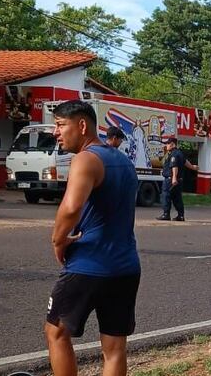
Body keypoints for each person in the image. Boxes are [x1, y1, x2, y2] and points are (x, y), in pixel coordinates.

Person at [45, 100, 141, 376]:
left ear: (82, 125)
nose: (56, 132)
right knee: (114, 348)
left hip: (88, 266)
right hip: (126, 267)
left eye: (61, 125)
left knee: (55, 332)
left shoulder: (85, 159)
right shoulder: (123, 160)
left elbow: (71, 207)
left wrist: (58, 241)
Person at [157, 137, 197, 221]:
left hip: (171, 179)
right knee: (177, 197)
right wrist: (192, 167)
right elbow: (185, 162)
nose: (166, 145)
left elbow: (174, 166)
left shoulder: (173, 154)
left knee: (166, 196)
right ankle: (181, 215)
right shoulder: (179, 153)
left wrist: (174, 178)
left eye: (167, 143)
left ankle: (166, 214)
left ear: (172, 144)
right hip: (179, 180)